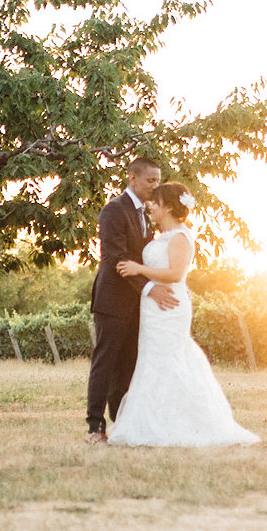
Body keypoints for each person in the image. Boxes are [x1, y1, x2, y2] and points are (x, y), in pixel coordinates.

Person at [107, 182, 260, 448]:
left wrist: (138, 268)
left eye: (155, 202)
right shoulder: (162, 237)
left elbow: (175, 274)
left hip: (170, 309)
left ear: (166, 205)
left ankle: (186, 423)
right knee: (151, 359)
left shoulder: (180, 236)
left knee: (169, 359)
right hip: (153, 309)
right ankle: (150, 421)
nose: (151, 207)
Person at [86, 157, 168, 442]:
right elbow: (116, 258)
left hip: (138, 304)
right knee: (106, 361)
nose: (154, 186)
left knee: (129, 364)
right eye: (150, 180)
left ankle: (121, 423)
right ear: (132, 178)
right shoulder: (113, 211)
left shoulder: (146, 213)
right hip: (113, 299)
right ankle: (95, 426)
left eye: (157, 181)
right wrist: (150, 289)